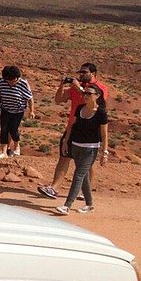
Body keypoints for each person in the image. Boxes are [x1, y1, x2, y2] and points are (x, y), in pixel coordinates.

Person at [39, 63, 112, 200]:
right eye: (80, 72)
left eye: (84, 72)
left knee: (86, 163)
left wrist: (78, 88)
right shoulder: (75, 87)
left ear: (94, 73)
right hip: (73, 127)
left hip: (90, 129)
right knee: (64, 157)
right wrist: (62, 85)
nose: (81, 75)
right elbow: (58, 100)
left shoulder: (100, 88)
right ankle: (53, 188)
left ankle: (85, 191)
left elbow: (98, 104)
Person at [54, 86, 109, 215]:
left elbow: (105, 134)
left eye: (89, 94)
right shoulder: (79, 109)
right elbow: (71, 126)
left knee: (78, 175)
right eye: (84, 93)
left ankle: (67, 205)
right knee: (83, 176)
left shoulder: (101, 113)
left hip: (90, 149)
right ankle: (89, 204)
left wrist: (104, 152)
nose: (85, 95)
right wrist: (66, 142)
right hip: (76, 145)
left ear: (97, 95)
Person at [0, 65, 34, 158]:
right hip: (5, 109)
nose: (11, 82)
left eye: (13, 80)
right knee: (4, 130)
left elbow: (30, 98)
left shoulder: (23, 84)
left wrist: (31, 110)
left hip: (18, 111)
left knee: (13, 130)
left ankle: (17, 147)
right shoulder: (2, 82)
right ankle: (4, 152)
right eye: (9, 80)